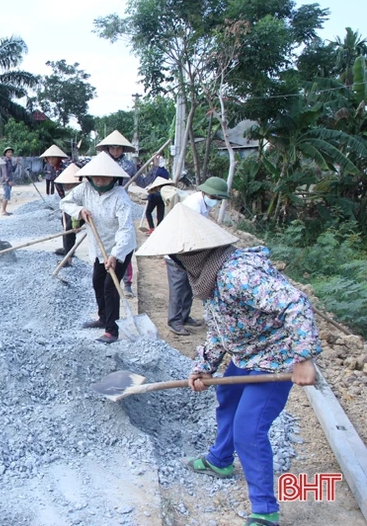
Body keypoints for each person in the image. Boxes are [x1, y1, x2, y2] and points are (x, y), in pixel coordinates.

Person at [136, 204, 320, 526]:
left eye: (174, 258)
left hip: (274, 357)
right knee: (228, 401)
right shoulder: (212, 278)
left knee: (249, 429)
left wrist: (303, 358)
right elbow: (222, 330)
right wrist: (204, 366)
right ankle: (220, 460)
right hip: (246, 352)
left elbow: (296, 302)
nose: (172, 264)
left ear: (190, 256)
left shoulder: (238, 274)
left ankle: (265, 511)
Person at [60, 152, 136, 343]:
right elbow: (65, 202)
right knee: (97, 282)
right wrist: (80, 211)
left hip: (120, 247)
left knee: (111, 287)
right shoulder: (84, 189)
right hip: (98, 244)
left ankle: (112, 330)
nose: (100, 180)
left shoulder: (120, 197)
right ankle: (103, 318)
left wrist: (115, 255)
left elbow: (125, 230)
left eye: (105, 176)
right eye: (96, 176)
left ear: (113, 177)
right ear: (90, 176)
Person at [165, 176, 230, 336]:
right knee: (178, 288)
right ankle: (174, 321)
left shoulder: (203, 204)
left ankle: (184, 316)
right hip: (178, 251)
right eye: (214, 197)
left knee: (189, 286)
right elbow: (188, 232)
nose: (215, 201)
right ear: (205, 192)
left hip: (191, 252)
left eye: (217, 198)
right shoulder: (193, 205)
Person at [95, 130, 137, 296]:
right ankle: (105, 274)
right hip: (103, 206)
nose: (116, 151)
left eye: (119, 148)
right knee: (105, 245)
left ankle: (127, 283)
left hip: (120, 204)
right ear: (108, 149)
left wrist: (156, 169)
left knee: (124, 244)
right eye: (112, 148)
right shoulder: (100, 164)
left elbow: (141, 181)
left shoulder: (128, 166)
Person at [52, 162, 82, 266]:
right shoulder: (70, 190)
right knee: (66, 226)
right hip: (74, 209)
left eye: (68, 184)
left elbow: (78, 207)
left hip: (85, 212)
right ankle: (68, 252)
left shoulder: (80, 189)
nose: (66, 186)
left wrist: (75, 224)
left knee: (69, 229)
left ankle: (68, 257)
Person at [0, 146, 16, 215]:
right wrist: (8, 180)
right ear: (5, 154)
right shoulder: (4, 161)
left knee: (7, 195)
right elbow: (4, 172)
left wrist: (16, 163)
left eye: (11, 152)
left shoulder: (10, 161)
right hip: (5, 181)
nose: (10, 153)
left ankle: (4, 210)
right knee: (6, 195)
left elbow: (13, 170)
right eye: (8, 152)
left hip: (9, 181)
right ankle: (3, 211)